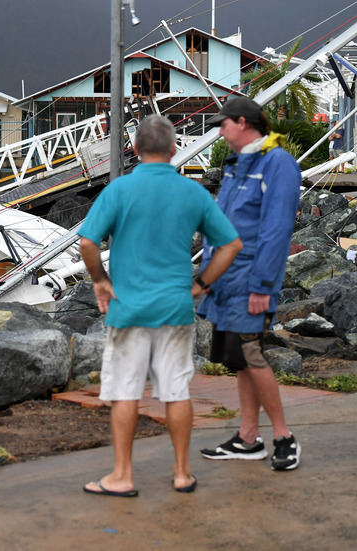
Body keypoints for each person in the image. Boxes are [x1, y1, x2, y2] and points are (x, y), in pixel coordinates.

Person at [79, 115, 242, 496]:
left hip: (129, 309)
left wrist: (101, 281)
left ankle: (122, 476)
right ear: (173, 150)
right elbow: (231, 244)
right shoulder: (193, 193)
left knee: (125, 392)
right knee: (176, 390)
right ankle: (182, 473)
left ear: (135, 150)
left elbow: (87, 242)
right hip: (174, 309)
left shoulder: (120, 190)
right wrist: (200, 284)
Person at [196, 97, 303, 471]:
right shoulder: (241, 165)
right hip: (227, 283)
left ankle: (283, 436)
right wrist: (208, 278)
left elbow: (276, 231)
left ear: (243, 123)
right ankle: (247, 438)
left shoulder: (277, 163)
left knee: (253, 357)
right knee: (240, 361)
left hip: (249, 284)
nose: (221, 134)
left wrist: (262, 286)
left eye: (223, 126)